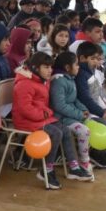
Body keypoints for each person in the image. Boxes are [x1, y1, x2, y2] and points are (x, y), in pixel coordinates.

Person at [13, 52, 69, 189]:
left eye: (51, 67)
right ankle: (47, 170)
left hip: (40, 117)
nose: (50, 70)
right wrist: (45, 114)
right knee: (55, 133)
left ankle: (74, 166)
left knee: (65, 130)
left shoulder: (41, 80)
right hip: (26, 120)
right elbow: (25, 109)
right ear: (35, 68)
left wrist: (45, 113)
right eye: (46, 67)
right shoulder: (25, 84)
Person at [49, 52, 95, 181]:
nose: (78, 67)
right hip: (61, 119)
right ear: (67, 67)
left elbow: (74, 100)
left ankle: (84, 160)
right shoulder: (59, 81)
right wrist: (79, 114)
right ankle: (84, 162)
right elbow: (60, 106)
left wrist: (83, 110)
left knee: (91, 123)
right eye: (76, 65)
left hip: (70, 116)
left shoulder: (69, 79)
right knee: (84, 131)